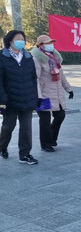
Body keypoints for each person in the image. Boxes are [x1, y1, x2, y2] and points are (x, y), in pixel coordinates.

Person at [0, 30, 39, 165]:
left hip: (27, 99)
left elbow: (33, 78)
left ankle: (25, 154)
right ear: (10, 41)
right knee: (8, 127)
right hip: (9, 100)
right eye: (18, 39)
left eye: (22, 39)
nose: (21, 41)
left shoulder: (28, 57)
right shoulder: (2, 57)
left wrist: (35, 97)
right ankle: (2, 147)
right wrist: (2, 101)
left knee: (26, 129)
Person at [31, 35, 74, 152]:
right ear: (40, 45)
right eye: (47, 43)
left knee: (60, 115)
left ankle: (51, 138)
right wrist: (38, 96)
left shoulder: (55, 57)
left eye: (51, 43)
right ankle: (45, 144)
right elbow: (35, 78)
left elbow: (61, 76)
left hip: (56, 94)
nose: (50, 45)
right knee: (44, 120)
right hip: (43, 95)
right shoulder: (37, 59)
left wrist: (69, 89)